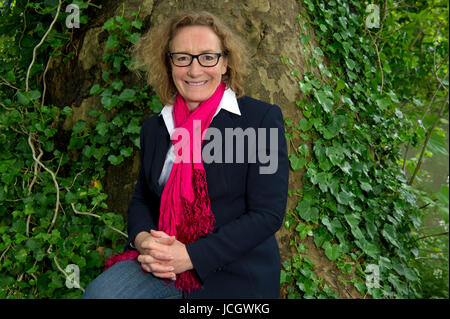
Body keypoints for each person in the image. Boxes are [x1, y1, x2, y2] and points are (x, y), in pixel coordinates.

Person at [83, 10, 289, 299]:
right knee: (100, 295)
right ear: (169, 64)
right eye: (182, 57)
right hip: (164, 263)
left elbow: (267, 214)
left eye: (207, 57)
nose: (194, 70)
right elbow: (143, 197)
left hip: (234, 269)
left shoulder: (259, 119)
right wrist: (144, 241)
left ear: (226, 62)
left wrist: (190, 255)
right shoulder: (156, 127)